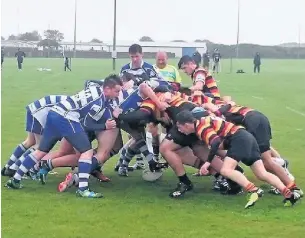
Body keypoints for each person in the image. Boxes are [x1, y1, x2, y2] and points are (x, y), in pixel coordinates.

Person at [5, 75, 123, 198]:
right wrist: (105, 126)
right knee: (87, 152)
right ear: (107, 89)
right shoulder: (97, 101)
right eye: (117, 91)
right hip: (66, 117)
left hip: (54, 113)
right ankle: (83, 189)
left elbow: (91, 83)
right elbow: (87, 123)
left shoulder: (96, 88)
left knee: (41, 151)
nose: (118, 94)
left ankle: (15, 180)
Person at [176, 110, 301, 208]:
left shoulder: (201, 127)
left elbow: (215, 143)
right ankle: (289, 193)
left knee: (226, 170)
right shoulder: (204, 120)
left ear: (187, 124)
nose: (180, 130)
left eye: (180, 127)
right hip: (247, 137)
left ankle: (254, 190)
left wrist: (207, 163)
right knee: (261, 173)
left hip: (239, 139)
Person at [1, 95, 68, 178]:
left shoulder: (77, 100)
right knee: (40, 146)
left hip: (35, 108)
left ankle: (7, 167)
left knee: (30, 141)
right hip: (39, 112)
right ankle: (13, 169)